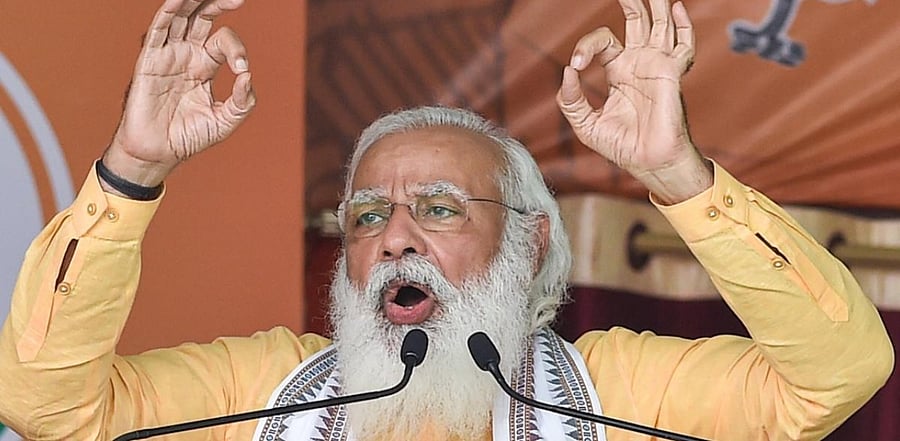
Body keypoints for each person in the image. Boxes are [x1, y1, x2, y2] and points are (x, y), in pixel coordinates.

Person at [0, 0, 893, 440]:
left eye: (437, 209)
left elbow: (838, 373)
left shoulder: (624, 392)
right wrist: (134, 171)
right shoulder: (260, 391)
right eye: (365, 216)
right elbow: (47, 407)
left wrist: (676, 174)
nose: (395, 237)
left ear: (529, 239)